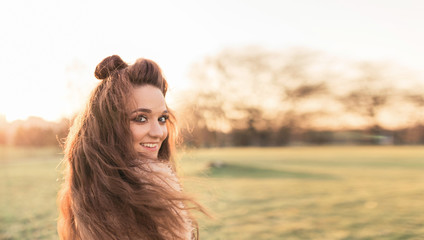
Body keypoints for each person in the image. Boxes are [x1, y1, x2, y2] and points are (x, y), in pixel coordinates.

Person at [57, 55, 205, 240]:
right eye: (141, 118)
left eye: (162, 119)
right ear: (108, 126)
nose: (158, 132)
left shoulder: (91, 189)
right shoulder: (113, 205)